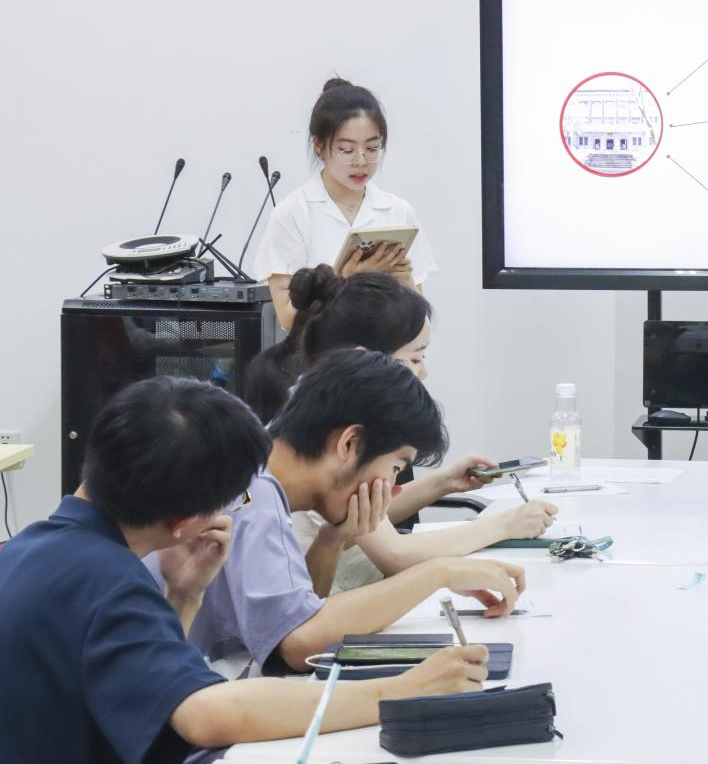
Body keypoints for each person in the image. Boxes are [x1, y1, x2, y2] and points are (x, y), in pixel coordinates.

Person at [0, 377, 488, 763]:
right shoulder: (109, 583)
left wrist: (183, 597)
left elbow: (141, 690)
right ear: (188, 522)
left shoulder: (31, 550)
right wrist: (403, 690)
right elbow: (206, 715)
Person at [153, 349, 525, 678]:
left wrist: (332, 539)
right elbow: (297, 645)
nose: (391, 486)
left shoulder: (260, 463)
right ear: (349, 443)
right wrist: (438, 573)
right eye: (396, 467)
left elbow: (297, 614)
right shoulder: (256, 492)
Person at [246, 265, 555, 595]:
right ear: (366, 360)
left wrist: (443, 482)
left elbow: (360, 516)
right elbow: (394, 555)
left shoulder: (319, 415)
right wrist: (504, 525)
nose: (423, 372)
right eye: (415, 358)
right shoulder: (279, 481)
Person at [253, 78, 438, 331]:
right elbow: (288, 319)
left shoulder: (399, 212)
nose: (361, 161)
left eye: (372, 148)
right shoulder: (292, 213)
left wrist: (405, 281)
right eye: (346, 150)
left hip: (384, 353)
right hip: (323, 354)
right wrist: (347, 278)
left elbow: (420, 324)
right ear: (319, 146)